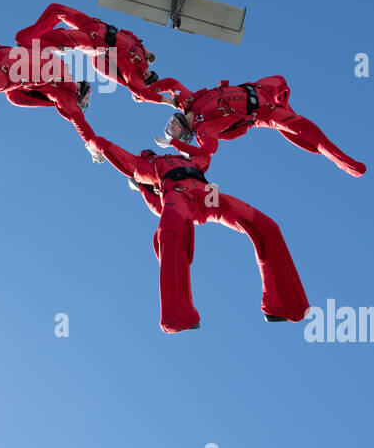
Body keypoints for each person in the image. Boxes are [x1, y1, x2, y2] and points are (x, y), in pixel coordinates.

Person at [88, 135, 310, 333]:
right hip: (183, 196)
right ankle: (178, 316)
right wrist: (95, 143)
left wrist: (175, 142)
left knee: (267, 227)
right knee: (169, 232)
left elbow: (205, 152)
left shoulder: (177, 162)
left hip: (206, 196)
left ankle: (284, 304)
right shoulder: (151, 171)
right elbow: (158, 202)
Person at [158, 75, 366, 176]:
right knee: (303, 129)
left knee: (281, 80)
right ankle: (344, 162)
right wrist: (176, 147)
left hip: (259, 87)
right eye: (172, 130)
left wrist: (148, 93)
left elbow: (170, 84)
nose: (172, 124)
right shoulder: (204, 131)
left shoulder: (188, 101)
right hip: (264, 113)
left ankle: (285, 105)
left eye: (170, 125)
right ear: (184, 135)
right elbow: (206, 154)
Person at [14, 3, 177, 104]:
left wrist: (168, 101)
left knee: (52, 38)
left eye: (148, 79)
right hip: (92, 24)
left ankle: (32, 48)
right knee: (55, 9)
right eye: (152, 75)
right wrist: (148, 52)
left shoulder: (132, 74)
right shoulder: (141, 53)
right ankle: (28, 41)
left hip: (94, 41)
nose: (148, 74)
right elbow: (130, 35)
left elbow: (143, 93)